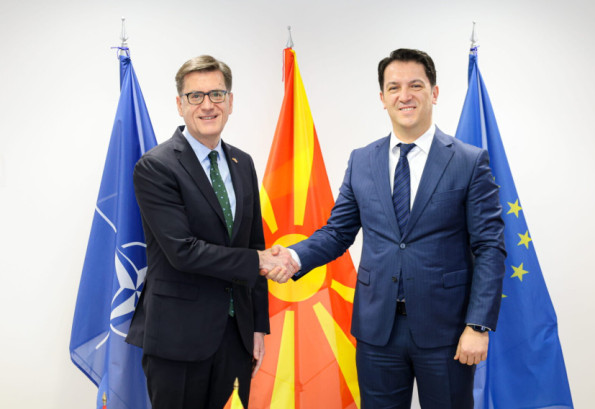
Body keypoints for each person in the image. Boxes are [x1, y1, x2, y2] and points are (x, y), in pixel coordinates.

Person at [263, 49, 506, 409]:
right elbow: (338, 232)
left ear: (434, 92)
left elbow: (490, 247)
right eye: (394, 87)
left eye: (415, 85)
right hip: (378, 332)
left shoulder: (469, 162)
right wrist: (294, 256)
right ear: (382, 98)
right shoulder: (362, 160)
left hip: (448, 332)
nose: (404, 95)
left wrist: (478, 325)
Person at [126, 55, 296, 409]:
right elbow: (183, 251)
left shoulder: (242, 162)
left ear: (230, 102)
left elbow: (254, 242)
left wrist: (257, 326)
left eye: (217, 94)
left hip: (235, 337)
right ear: (180, 104)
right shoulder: (156, 167)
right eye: (195, 96)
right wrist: (258, 260)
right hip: (177, 339)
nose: (207, 105)